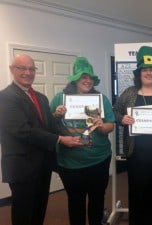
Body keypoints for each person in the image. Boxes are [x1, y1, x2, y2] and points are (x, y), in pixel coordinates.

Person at [0, 54, 83, 225]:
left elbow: (45, 125)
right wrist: (60, 139)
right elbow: (22, 130)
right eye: (22, 68)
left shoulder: (41, 97)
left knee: (39, 210)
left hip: (42, 164)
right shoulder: (6, 97)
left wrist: (57, 116)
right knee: (23, 213)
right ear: (11, 69)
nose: (27, 72)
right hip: (22, 167)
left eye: (31, 68)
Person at [113, 46, 152, 225]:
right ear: (139, 73)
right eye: (145, 70)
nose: (148, 73)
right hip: (137, 153)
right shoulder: (129, 93)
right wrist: (122, 119)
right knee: (138, 191)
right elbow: (115, 112)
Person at [50, 56, 115, 225]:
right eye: (83, 77)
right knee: (75, 202)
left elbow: (111, 125)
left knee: (97, 200)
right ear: (75, 79)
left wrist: (101, 125)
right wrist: (56, 114)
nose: (87, 81)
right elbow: (48, 125)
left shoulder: (101, 99)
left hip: (98, 159)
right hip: (70, 163)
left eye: (90, 77)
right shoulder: (60, 98)